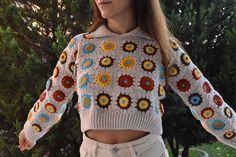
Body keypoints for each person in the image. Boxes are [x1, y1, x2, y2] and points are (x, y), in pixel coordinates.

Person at [18, 0, 236, 156]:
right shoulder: (80, 46)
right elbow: (54, 94)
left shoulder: (161, 47)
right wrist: (31, 130)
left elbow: (204, 98)